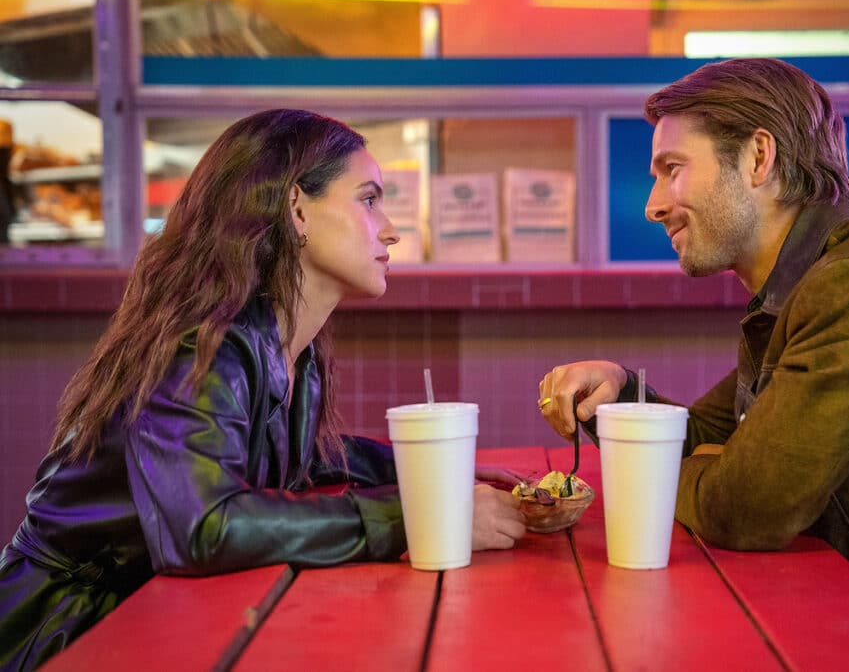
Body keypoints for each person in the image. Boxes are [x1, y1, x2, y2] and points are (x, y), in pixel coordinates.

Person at [537, 59, 849, 671]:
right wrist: (618, 394)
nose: (653, 205)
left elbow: (749, 508)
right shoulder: (807, 282)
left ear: (758, 159)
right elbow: (716, 439)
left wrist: (692, 473)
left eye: (672, 169)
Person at [0, 109, 526, 671]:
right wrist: (422, 514)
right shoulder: (201, 344)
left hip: (145, 616)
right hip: (62, 633)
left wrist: (429, 471)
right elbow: (204, 529)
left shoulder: (288, 343)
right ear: (297, 208)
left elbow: (294, 456)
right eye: (369, 200)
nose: (391, 227)